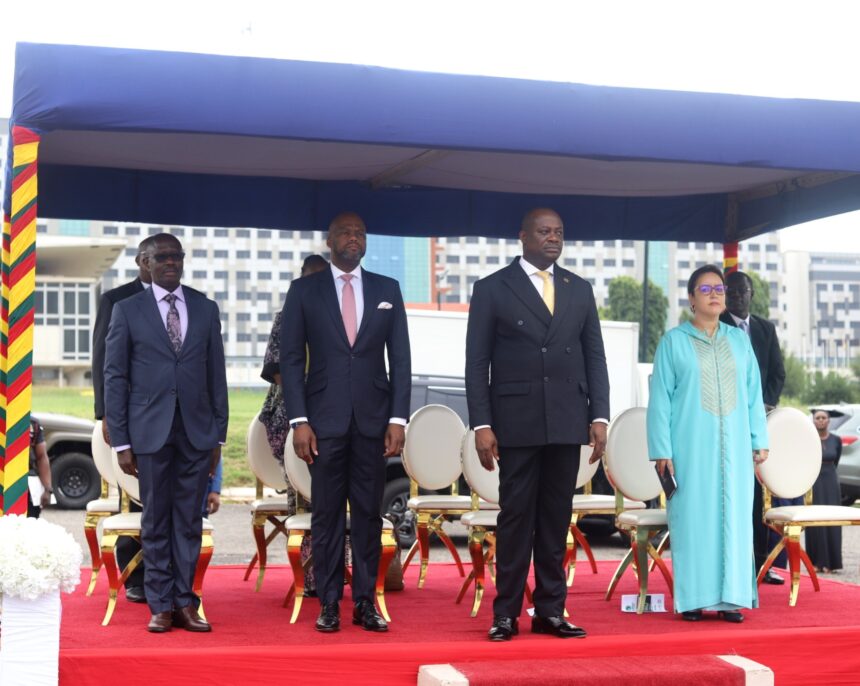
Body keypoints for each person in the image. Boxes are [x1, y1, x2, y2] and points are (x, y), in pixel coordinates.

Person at [465, 208, 610, 642]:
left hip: (566, 418)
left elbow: (595, 356)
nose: (553, 238)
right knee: (515, 519)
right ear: (523, 236)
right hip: (516, 421)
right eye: (544, 231)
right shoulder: (492, 288)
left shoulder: (578, 289)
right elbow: (477, 364)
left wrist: (599, 415)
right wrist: (482, 424)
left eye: (559, 232)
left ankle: (550, 610)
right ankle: (506, 614)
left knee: (555, 519)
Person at [280, 212, 411, 634]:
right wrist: (299, 420)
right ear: (329, 240)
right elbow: (291, 359)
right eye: (345, 233)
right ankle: (330, 603)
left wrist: (398, 418)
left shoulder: (387, 289)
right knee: (328, 515)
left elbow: (401, 360)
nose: (354, 239)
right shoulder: (305, 290)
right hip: (323, 422)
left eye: (360, 233)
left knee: (370, 515)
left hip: (374, 422)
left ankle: (366, 602)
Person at [105, 233, 228, 634]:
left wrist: (218, 436)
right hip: (149, 432)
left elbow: (217, 375)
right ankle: (160, 604)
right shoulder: (127, 310)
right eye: (162, 257)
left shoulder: (205, 308)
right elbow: (115, 376)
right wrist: (122, 441)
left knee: (189, 521)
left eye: (177, 256)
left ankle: (185, 603)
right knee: (156, 520)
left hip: (196, 432)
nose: (171, 262)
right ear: (145, 262)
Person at [649, 265, 769, 623]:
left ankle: (732, 599)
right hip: (689, 449)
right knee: (693, 520)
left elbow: (753, 394)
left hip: (736, 451)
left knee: (735, 519)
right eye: (705, 289)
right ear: (691, 298)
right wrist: (661, 450)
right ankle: (693, 599)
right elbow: (660, 400)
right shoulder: (673, 343)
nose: (715, 294)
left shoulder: (740, 342)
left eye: (719, 288)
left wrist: (759, 439)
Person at [260, 254, 329, 594]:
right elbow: (278, 371)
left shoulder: (338, 316)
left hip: (330, 413)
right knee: (303, 494)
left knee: (332, 495)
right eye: (309, 278)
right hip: (291, 416)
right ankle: (310, 576)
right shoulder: (286, 317)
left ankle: (336, 569)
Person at [91, 236, 155, 604]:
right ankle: (134, 575)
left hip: (171, 417)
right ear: (140, 261)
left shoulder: (183, 301)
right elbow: (103, 361)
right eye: (154, 257)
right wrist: (105, 414)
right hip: (129, 414)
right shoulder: (115, 300)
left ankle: (168, 574)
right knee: (132, 496)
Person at [719, 270, 788, 585]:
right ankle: (729, 565)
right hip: (725, 421)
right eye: (730, 292)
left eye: (741, 291)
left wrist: (765, 405)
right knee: (729, 497)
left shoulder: (765, 329)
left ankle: (761, 565)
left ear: (752, 294)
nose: (736, 297)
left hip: (758, 423)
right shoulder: (717, 325)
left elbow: (777, 373)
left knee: (759, 499)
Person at [806, 409, 843, 573]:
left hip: (831, 482)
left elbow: (837, 459)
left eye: (823, 418)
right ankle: (815, 562)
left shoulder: (836, 440)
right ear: (813, 420)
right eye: (817, 418)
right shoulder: (808, 438)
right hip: (813, 480)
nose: (820, 420)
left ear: (829, 421)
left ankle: (832, 563)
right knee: (814, 520)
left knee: (832, 519)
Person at [27, 418, 52, 518]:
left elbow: (41, 457)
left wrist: (47, 489)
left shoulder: (33, 424)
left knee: (29, 522)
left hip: (28, 485)